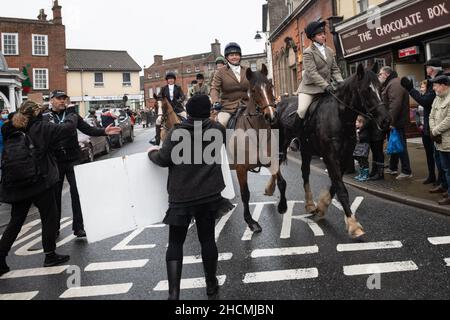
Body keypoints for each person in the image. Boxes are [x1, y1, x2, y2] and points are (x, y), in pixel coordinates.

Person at [148, 94, 233, 300]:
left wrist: (151, 153)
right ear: (208, 111)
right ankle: (211, 284)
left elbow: (163, 159)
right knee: (207, 239)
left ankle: (174, 293)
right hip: (209, 195)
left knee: (175, 243)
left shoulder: (177, 133)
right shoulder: (216, 130)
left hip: (182, 196)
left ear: (189, 111)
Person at [0, 101, 79, 276]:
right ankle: (50, 255)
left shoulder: (9, 127)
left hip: (17, 182)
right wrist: (72, 113)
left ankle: (0, 258)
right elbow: (68, 129)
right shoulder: (41, 128)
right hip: (39, 181)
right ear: (36, 114)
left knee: (15, 222)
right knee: (49, 217)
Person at [44, 90, 121, 238]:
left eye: (64, 99)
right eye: (59, 99)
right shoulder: (46, 117)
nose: (62, 101)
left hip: (73, 158)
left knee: (76, 194)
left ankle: (78, 227)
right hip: (55, 161)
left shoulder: (72, 115)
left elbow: (88, 129)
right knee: (54, 196)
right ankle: (54, 228)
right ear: (51, 100)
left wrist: (104, 131)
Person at [295, 20, 343, 120]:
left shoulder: (329, 51)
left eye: (324, 34)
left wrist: (341, 82)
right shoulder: (308, 52)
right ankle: (297, 135)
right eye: (320, 34)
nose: (323, 36)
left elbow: (335, 69)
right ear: (313, 37)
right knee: (302, 110)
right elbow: (312, 73)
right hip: (310, 89)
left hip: (327, 88)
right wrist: (326, 85)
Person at [378, 66, 412, 180]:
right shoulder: (391, 83)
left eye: (380, 74)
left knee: (400, 145)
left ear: (386, 74)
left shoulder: (395, 84)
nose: (379, 76)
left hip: (397, 121)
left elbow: (395, 104)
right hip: (395, 121)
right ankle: (393, 168)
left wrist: (391, 121)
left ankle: (406, 171)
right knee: (394, 143)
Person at [210, 42, 250, 128]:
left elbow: (255, 86)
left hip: (248, 105)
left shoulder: (247, 70)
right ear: (227, 57)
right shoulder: (220, 72)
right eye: (231, 55)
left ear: (240, 56)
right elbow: (214, 89)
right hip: (228, 107)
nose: (234, 57)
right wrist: (215, 102)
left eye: (236, 54)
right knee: (221, 123)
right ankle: (222, 141)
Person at [429, 75, 450, 205]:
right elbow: (431, 116)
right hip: (439, 141)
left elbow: (449, 119)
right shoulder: (437, 98)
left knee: (449, 170)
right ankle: (447, 189)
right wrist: (433, 129)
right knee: (444, 168)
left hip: (447, 141)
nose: (434, 87)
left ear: (443, 85)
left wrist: (435, 130)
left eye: (435, 85)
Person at [150, 72, 186, 145]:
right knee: (158, 120)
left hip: (177, 107)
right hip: (167, 109)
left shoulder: (178, 88)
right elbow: (160, 97)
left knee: (185, 115)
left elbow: (183, 96)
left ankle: (189, 135)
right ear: (167, 80)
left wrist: (180, 100)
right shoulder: (164, 88)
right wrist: (158, 98)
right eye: (169, 79)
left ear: (174, 80)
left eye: (172, 79)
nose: (170, 80)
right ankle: (157, 140)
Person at [353, 115, 371, 182]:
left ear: (362, 123)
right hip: (358, 148)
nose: (356, 123)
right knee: (360, 160)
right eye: (356, 122)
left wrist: (357, 135)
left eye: (358, 122)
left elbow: (363, 138)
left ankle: (366, 175)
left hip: (363, 148)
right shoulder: (357, 130)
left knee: (364, 160)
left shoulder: (364, 130)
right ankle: (361, 174)